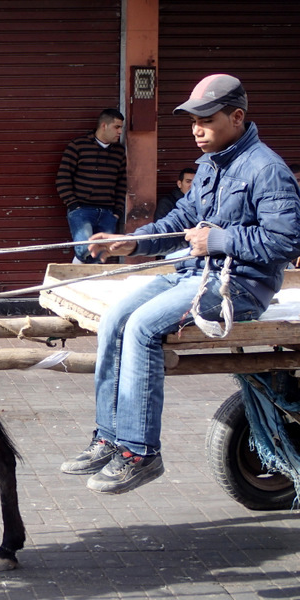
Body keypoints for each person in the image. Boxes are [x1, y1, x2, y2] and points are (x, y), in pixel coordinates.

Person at [60, 74, 300, 494]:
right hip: (194, 273)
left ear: (237, 117)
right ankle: (109, 437)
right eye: (191, 121)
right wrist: (132, 240)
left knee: (143, 327)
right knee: (116, 318)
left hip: (240, 286)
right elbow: (181, 221)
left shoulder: (267, 169)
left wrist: (219, 239)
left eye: (205, 119)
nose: (196, 129)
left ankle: (140, 452)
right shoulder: (209, 166)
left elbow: (285, 241)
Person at [56, 108, 127, 264]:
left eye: (121, 127)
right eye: (117, 127)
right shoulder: (78, 146)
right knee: (85, 249)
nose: (120, 131)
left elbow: (121, 183)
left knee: (100, 254)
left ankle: (78, 283)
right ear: (104, 126)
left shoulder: (119, 153)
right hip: (82, 210)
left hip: (108, 212)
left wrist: (117, 211)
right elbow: (62, 178)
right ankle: (77, 280)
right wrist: (74, 205)